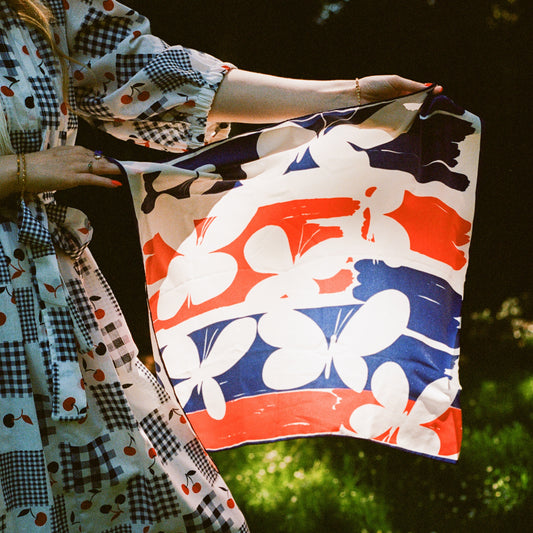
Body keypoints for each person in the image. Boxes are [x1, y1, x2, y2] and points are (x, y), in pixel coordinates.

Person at [0, 0, 441, 531]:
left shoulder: (43, 6)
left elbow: (158, 77)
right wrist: (19, 170)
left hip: (42, 294)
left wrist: (348, 95)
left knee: (139, 495)